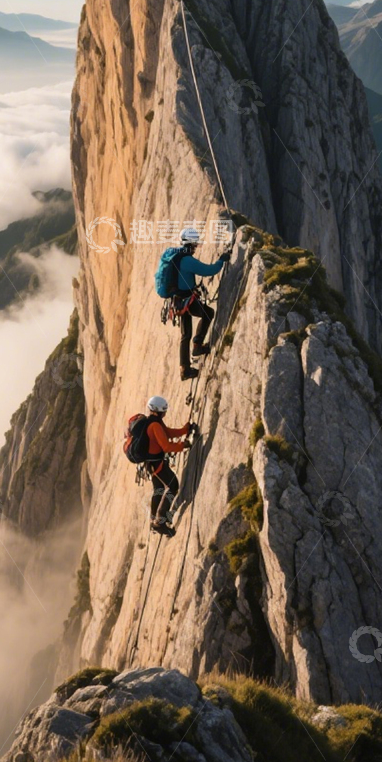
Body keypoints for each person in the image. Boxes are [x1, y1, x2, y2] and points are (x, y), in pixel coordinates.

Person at [173, 228, 231, 381]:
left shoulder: (177, 256)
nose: (195, 247)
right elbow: (208, 270)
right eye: (195, 244)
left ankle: (184, 369)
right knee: (208, 313)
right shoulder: (187, 260)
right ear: (190, 243)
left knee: (185, 335)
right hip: (187, 300)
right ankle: (197, 346)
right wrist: (221, 260)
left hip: (177, 301)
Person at [145, 395, 196, 536]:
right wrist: (183, 445)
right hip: (157, 463)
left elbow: (167, 433)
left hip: (151, 463)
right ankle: (160, 523)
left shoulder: (154, 422)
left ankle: (153, 520)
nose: (165, 414)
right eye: (164, 411)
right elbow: (166, 446)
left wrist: (184, 430)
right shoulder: (155, 425)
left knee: (159, 489)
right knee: (173, 486)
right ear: (158, 411)